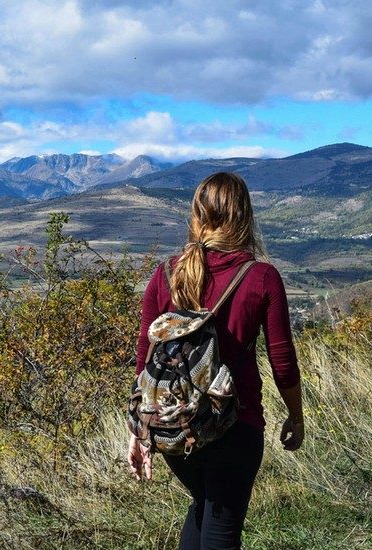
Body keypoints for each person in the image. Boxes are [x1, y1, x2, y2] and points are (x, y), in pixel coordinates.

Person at [129, 171, 304, 550]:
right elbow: (283, 360)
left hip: (174, 426)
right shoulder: (260, 277)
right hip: (234, 424)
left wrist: (139, 430)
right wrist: (296, 416)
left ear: (196, 216)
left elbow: (146, 358)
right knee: (221, 532)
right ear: (244, 216)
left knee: (203, 510)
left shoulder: (166, 273)